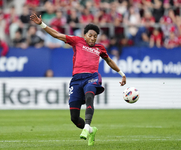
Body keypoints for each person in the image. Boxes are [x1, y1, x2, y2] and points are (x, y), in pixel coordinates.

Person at [30, 13, 126, 146]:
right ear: (84, 35)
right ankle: (91, 130)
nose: (92, 38)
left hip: (92, 77)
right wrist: (41, 24)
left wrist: (122, 74)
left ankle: (86, 126)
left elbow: (109, 60)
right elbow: (58, 35)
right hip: (76, 80)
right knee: (74, 118)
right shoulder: (77, 41)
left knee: (89, 96)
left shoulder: (100, 48)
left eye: (95, 36)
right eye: (90, 35)